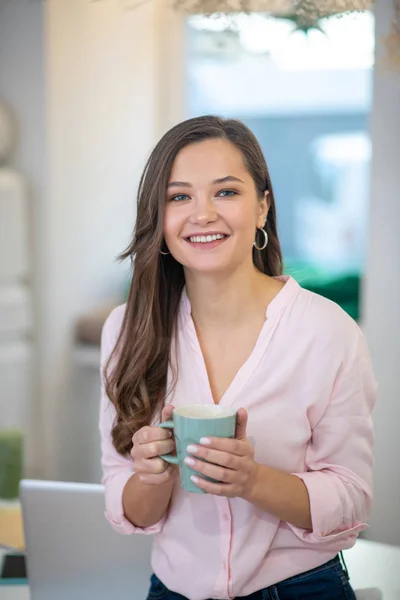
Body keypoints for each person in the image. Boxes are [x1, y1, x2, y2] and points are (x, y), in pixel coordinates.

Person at [99, 116, 377, 600]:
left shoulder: (327, 331)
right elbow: (133, 511)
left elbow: (352, 498)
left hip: (302, 589)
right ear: (158, 219)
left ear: (263, 206)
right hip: (173, 591)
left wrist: (253, 481)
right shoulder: (128, 330)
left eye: (226, 192)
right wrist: (151, 476)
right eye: (179, 196)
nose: (202, 214)